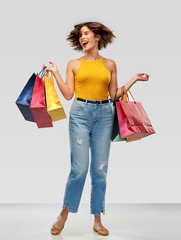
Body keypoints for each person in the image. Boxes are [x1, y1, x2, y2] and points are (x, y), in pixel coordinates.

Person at [43, 21, 149, 236]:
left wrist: (133, 80)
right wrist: (55, 72)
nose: (82, 38)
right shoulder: (74, 64)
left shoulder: (110, 64)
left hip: (104, 116)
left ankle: (97, 219)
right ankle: (64, 213)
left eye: (86, 33)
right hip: (80, 114)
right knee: (79, 169)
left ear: (97, 37)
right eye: (80, 35)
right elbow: (67, 95)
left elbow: (114, 96)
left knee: (100, 170)